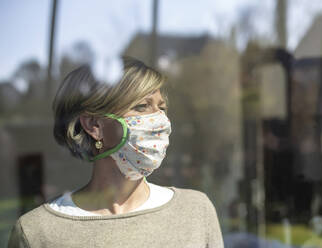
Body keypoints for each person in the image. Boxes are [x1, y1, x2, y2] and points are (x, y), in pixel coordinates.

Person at [8, 57, 224, 248]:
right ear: (94, 125)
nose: (160, 120)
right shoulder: (36, 233)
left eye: (162, 107)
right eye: (142, 107)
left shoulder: (196, 210)